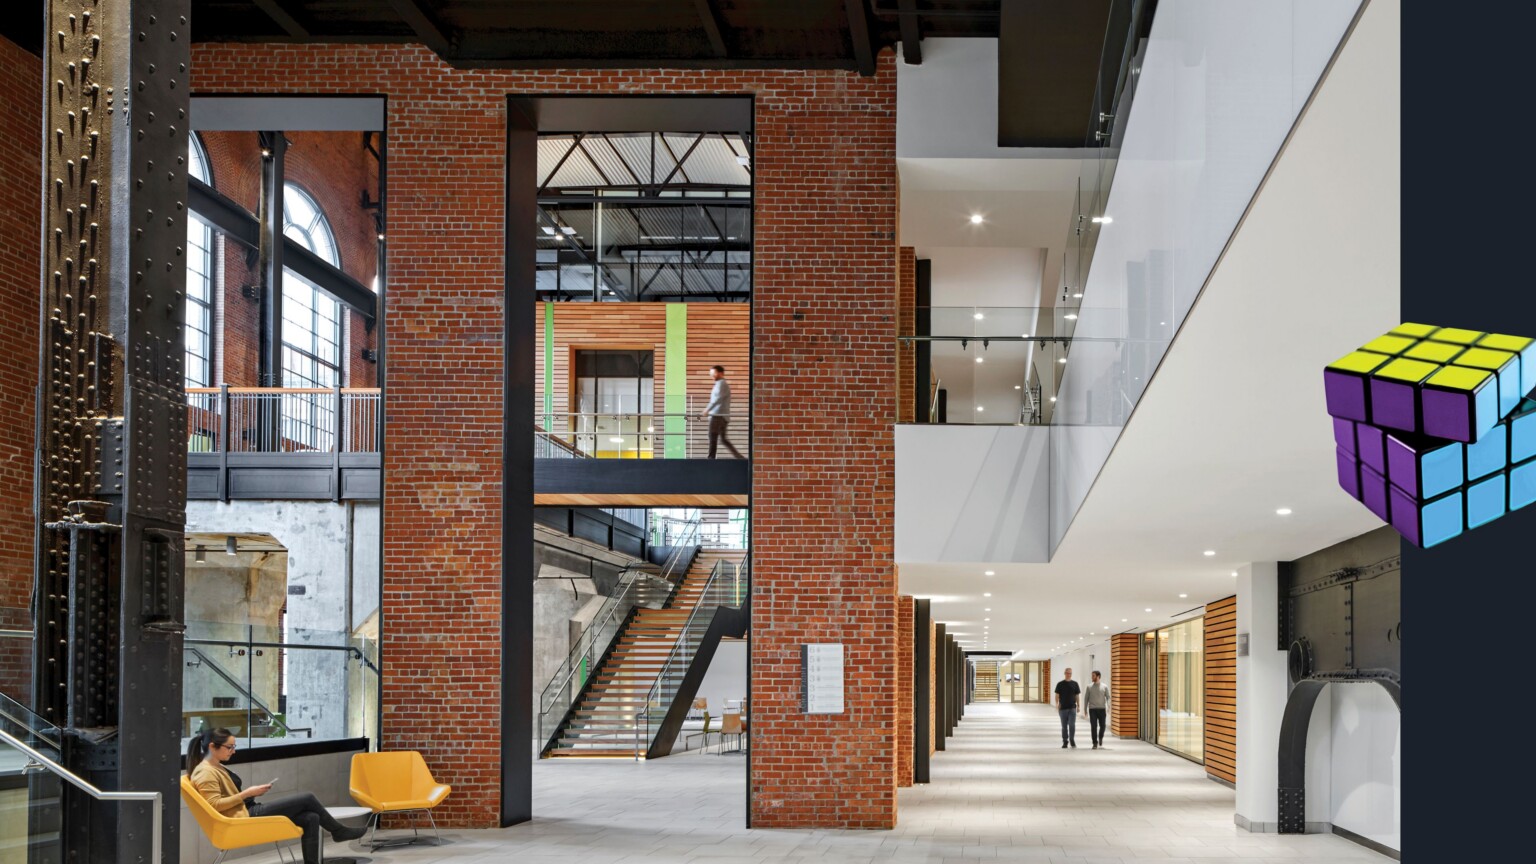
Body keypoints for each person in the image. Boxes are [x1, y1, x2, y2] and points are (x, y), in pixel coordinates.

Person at [187, 728, 366, 864]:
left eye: (234, 746)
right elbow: (215, 805)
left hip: (248, 810)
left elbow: (229, 796)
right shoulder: (205, 772)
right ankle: (338, 831)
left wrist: (251, 793)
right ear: (212, 746)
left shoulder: (216, 766)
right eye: (229, 747)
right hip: (244, 818)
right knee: (307, 798)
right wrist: (247, 793)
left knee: (311, 817)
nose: (233, 751)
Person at [703, 365, 743, 459]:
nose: (712, 375)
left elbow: (717, 399)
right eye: (711, 373)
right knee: (723, 439)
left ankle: (711, 459)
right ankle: (739, 457)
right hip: (722, 416)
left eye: (714, 373)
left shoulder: (721, 384)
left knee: (712, 436)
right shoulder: (720, 384)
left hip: (718, 415)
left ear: (721, 373)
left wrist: (707, 409)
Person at [1054, 667, 1081, 748]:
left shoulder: (1075, 684)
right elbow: (1057, 695)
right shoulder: (1060, 684)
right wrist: (1057, 704)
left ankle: (1072, 739)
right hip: (1062, 708)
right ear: (1064, 673)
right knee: (1064, 726)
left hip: (1072, 708)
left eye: (1070, 673)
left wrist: (1079, 705)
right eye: (1068, 673)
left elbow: (1077, 695)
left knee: (1072, 725)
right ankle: (1065, 741)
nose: (1069, 674)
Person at [1085, 670, 1110, 749]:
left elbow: (1108, 697)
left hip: (1102, 709)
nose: (1092, 677)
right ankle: (1094, 743)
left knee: (1103, 726)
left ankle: (1100, 737)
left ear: (1098, 676)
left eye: (1093, 676)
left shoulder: (1104, 686)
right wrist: (1085, 709)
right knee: (1093, 726)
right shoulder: (1089, 687)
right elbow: (1086, 699)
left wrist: (1108, 706)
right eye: (1092, 675)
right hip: (1092, 709)